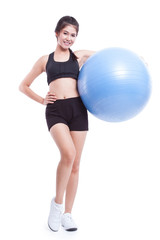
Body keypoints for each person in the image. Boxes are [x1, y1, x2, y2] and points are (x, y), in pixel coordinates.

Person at [19, 16, 95, 232]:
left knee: (76, 163)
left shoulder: (78, 56)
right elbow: (23, 85)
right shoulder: (45, 60)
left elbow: (105, 57)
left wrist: (134, 58)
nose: (69, 38)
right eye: (65, 33)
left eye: (73, 35)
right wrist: (42, 100)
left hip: (78, 110)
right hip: (56, 112)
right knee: (68, 154)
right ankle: (57, 205)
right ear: (57, 33)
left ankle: (68, 215)